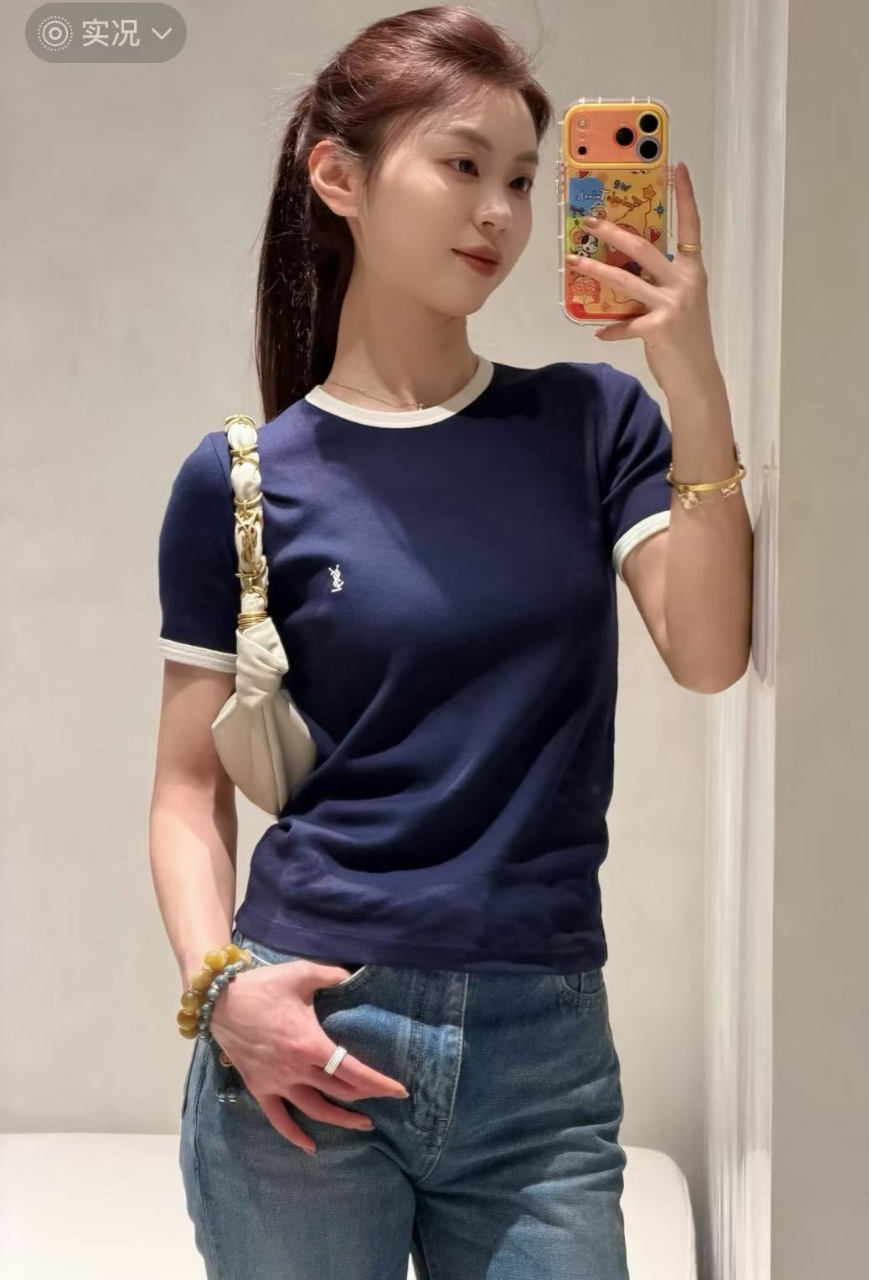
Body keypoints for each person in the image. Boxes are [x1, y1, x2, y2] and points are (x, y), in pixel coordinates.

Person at [151, 7, 676, 1278]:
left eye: (521, 180)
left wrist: (688, 357)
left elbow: (708, 650)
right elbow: (183, 792)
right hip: (309, 1024)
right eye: (460, 165)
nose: (497, 212)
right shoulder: (241, 479)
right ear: (339, 177)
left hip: (540, 1047)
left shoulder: (590, 423)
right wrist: (223, 991)